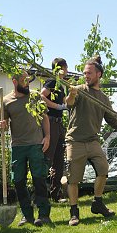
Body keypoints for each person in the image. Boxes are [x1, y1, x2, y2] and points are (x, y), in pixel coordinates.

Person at [66, 56, 117, 226]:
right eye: (84, 73)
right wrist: (71, 95)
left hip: (93, 141)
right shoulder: (78, 90)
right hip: (75, 141)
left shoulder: (103, 98)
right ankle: (74, 212)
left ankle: (97, 203)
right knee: (73, 179)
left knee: (103, 169)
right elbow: (69, 103)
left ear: (99, 74)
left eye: (89, 73)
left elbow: (115, 121)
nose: (86, 76)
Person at [0, 72, 51, 227]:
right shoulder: (6, 100)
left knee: (39, 179)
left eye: (28, 80)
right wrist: (2, 124)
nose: (27, 83)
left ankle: (44, 214)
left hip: (36, 144)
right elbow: (5, 123)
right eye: (24, 81)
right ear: (15, 82)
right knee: (18, 181)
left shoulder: (35, 96)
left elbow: (45, 117)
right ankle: (27, 215)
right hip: (18, 146)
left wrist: (47, 136)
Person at [40, 58, 68, 202]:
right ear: (61, 68)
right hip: (50, 122)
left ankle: (55, 194)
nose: (67, 70)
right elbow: (41, 96)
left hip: (58, 123)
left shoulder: (60, 85)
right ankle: (41, 194)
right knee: (48, 158)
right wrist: (56, 107)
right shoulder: (52, 82)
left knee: (59, 160)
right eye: (66, 67)